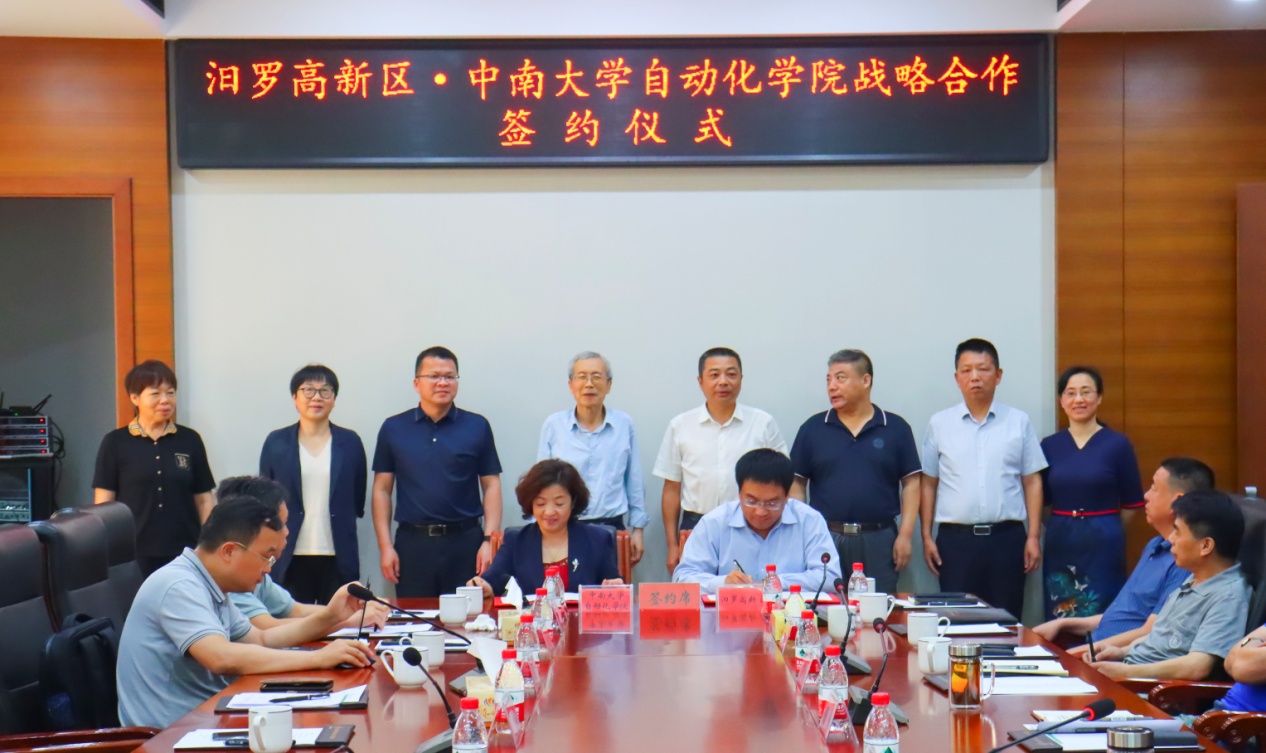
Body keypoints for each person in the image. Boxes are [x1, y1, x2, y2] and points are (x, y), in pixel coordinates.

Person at [115, 496, 376, 729]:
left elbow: (262, 638)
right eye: (266, 556)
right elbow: (220, 657)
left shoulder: (210, 585)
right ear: (229, 551)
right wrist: (319, 657)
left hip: (208, 718)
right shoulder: (179, 586)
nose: (268, 569)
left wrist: (331, 617)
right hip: (171, 735)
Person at [920, 339, 1047, 619]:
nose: (975, 377)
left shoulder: (1018, 422)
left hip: (1007, 539)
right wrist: (926, 535)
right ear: (957, 378)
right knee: (956, 623)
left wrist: (1033, 536)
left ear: (998, 375)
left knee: (1007, 621)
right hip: (956, 542)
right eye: (966, 370)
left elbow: (1032, 481)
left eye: (983, 369)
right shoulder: (940, 424)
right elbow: (928, 482)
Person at [1036, 457, 1214, 646]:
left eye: (1154, 489)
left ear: (1176, 502)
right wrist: (1063, 623)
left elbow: (1152, 632)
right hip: (1095, 647)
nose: (1146, 496)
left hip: (1118, 657)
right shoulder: (1154, 546)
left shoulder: (1183, 562)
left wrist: (1085, 653)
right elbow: (1119, 618)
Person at [372, 346, 503, 597]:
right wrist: (385, 546)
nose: (442, 383)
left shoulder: (477, 426)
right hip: (413, 544)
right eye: (433, 376)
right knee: (415, 616)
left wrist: (488, 541)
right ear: (416, 383)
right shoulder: (393, 428)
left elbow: (491, 485)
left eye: (449, 376)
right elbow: (381, 490)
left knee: (468, 616)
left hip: (466, 542)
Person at [789, 349, 921, 594]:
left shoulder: (895, 428)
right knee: (825, 607)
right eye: (828, 379)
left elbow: (912, 483)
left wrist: (905, 535)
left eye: (840, 378)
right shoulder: (813, 428)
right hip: (826, 536)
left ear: (865, 380)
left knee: (877, 608)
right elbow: (796, 485)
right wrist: (802, 533)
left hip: (879, 538)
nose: (832, 386)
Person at [1089, 490, 1249, 681]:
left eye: (1178, 531)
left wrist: (1126, 673)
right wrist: (1119, 652)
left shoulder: (1228, 596)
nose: (1171, 539)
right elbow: (1160, 638)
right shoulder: (1194, 578)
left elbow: (1198, 666)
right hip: (1129, 672)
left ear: (1205, 546)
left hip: (1151, 689)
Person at [655, 347, 788, 573]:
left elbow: (784, 482)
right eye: (714, 375)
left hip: (752, 525)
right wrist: (672, 545)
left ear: (741, 379)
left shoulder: (762, 423)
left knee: (748, 588)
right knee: (698, 589)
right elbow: (671, 489)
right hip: (695, 526)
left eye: (731, 374)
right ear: (700, 381)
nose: (723, 381)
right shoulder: (681, 425)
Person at [1040, 366, 1145, 621]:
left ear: (1099, 398)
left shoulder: (1118, 444)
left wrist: (1106, 526)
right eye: (1071, 393)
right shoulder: (1049, 445)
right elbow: (1042, 501)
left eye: (1086, 392)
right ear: (1061, 400)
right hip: (1061, 537)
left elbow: (1131, 504)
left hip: (1104, 539)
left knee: (1102, 609)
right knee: (1060, 609)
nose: (1079, 399)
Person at [93, 359, 216, 576]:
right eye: (155, 394)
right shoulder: (115, 442)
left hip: (185, 550)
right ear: (135, 398)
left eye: (170, 393)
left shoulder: (190, 440)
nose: (165, 400)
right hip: (132, 552)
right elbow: (104, 504)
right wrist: (109, 547)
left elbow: (204, 499)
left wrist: (210, 542)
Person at [219, 475, 389, 631]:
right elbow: (267, 628)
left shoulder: (257, 569)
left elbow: (294, 610)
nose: (287, 532)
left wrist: (350, 611)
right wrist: (347, 622)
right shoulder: (233, 575)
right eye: (281, 524)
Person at [259, 364, 368, 604]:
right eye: (308, 390)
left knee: (339, 621)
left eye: (325, 390)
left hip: (338, 555)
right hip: (288, 555)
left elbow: (357, 498)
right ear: (294, 397)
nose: (317, 397)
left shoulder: (350, 442)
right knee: (292, 622)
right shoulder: (276, 442)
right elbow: (264, 501)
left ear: (334, 399)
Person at [673, 449, 841, 594]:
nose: (760, 512)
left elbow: (830, 577)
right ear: (740, 494)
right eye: (751, 501)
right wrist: (722, 583)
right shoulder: (714, 523)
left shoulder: (809, 521)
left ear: (787, 497)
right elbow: (683, 577)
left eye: (772, 503)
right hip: (731, 617)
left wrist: (776, 583)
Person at [538, 351, 648, 565]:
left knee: (611, 586)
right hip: (564, 528)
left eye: (596, 377)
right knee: (565, 586)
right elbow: (540, 485)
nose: (589, 384)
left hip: (611, 528)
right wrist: (539, 530)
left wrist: (638, 529)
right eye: (582, 377)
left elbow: (634, 480)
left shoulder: (624, 424)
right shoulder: (554, 426)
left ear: (608, 385)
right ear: (571, 385)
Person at [469, 459, 623, 597]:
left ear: (573, 502)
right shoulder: (516, 541)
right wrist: (483, 586)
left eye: (559, 503)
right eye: (541, 503)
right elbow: (493, 580)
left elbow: (613, 583)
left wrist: (614, 586)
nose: (549, 512)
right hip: (532, 620)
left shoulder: (597, 540)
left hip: (580, 620)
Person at [1220, 622, 1266, 712]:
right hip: (1224, 710)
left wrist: (1253, 646)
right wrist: (1254, 641)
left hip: (1249, 718)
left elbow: (1242, 668)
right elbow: (1231, 659)